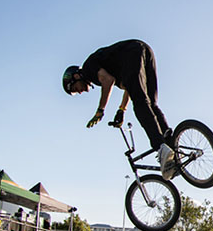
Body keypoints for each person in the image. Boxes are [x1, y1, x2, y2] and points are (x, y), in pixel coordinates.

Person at [62, 39, 177, 180]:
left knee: (140, 104)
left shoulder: (88, 69)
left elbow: (108, 80)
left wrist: (100, 110)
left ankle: (160, 147)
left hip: (132, 53)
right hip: (144, 50)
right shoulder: (111, 65)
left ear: (76, 76)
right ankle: (172, 146)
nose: (80, 92)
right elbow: (129, 87)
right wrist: (122, 109)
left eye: (75, 88)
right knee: (150, 104)